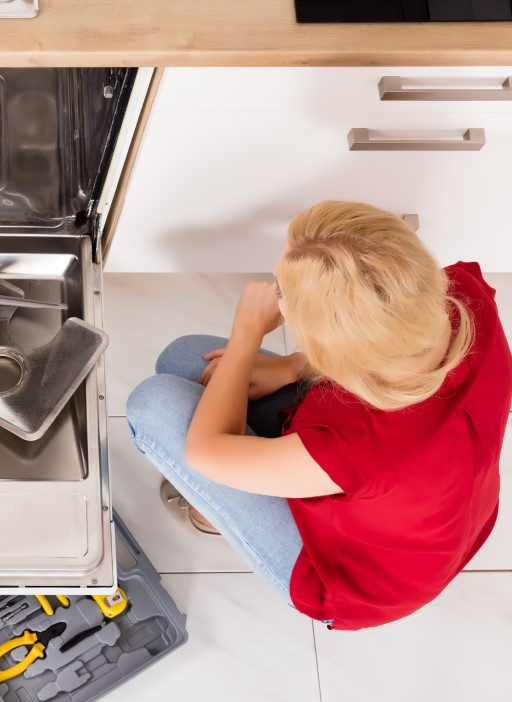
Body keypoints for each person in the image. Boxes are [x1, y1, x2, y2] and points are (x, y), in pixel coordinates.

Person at [125, 200, 511, 630]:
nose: (274, 294)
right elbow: (389, 342)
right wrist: (293, 366)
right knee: (185, 358)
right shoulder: (458, 298)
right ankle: (253, 483)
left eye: (282, 293)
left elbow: (205, 452)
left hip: (358, 579)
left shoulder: (361, 445)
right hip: (434, 515)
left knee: (155, 404)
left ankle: (215, 515)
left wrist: (247, 333)